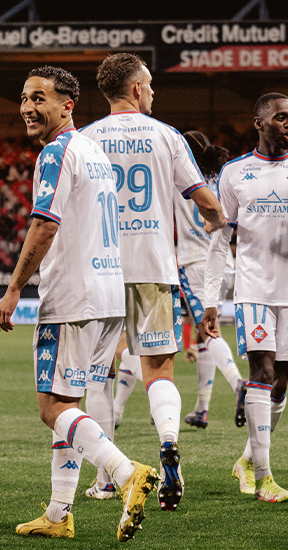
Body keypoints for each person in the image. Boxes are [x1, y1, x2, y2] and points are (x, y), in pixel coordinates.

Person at [0, 65, 158, 541]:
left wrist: (13, 287)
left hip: (72, 299)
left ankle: (127, 474)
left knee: (51, 408)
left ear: (68, 105)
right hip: (108, 296)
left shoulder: (56, 152)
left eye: (39, 98)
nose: (28, 106)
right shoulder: (95, 152)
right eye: (24, 97)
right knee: (70, 405)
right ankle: (59, 512)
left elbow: (44, 224)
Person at [80, 53, 226, 512]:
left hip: (99, 272)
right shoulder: (166, 136)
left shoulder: (84, 139)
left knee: (98, 374)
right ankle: (167, 441)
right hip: (153, 271)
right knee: (158, 370)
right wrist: (219, 220)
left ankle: (107, 479)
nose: (154, 93)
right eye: (151, 86)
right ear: (138, 89)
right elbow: (204, 201)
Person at [200, 92, 288, 503]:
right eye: (281, 118)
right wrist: (213, 298)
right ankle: (265, 477)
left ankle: (246, 459)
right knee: (260, 374)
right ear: (259, 122)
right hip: (253, 290)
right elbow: (219, 239)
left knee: (279, 385)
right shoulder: (235, 173)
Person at [175, 130, 246, 429]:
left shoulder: (177, 179)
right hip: (224, 264)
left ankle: (239, 383)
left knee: (208, 331)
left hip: (195, 264)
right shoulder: (220, 180)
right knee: (206, 336)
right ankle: (202, 409)